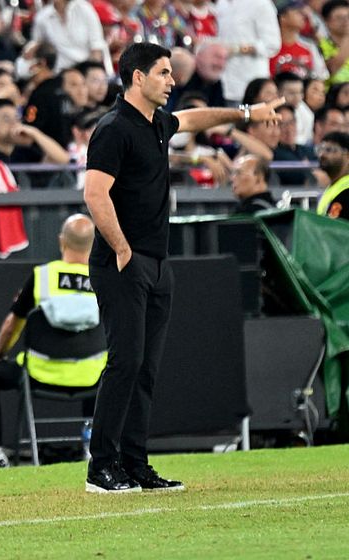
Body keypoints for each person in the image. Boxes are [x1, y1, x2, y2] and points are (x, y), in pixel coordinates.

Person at [83, 42, 282, 493]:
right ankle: (101, 467)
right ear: (138, 77)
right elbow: (95, 194)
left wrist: (246, 113)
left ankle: (135, 465)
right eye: (164, 73)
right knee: (125, 362)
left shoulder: (156, 123)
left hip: (156, 261)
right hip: (124, 261)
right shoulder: (113, 128)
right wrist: (122, 249)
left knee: (146, 369)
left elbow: (194, 119)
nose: (172, 81)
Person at [0, 214, 105, 469]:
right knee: (107, 370)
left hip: (40, 374)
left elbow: (12, 324)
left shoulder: (43, 276)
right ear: (95, 243)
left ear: (61, 241)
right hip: (93, 376)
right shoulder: (104, 279)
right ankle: (94, 445)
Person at [316, 130, 349, 219]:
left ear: (347, 156)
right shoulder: (334, 188)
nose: (322, 154)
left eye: (329, 150)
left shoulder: (346, 191)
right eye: (320, 149)